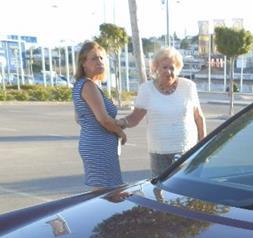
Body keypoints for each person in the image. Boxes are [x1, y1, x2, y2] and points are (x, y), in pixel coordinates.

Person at [117, 47, 206, 177]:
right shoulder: (146, 89)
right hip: (159, 152)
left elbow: (199, 117)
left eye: (172, 68)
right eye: (164, 67)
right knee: (160, 186)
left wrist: (204, 148)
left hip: (187, 150)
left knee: (186, 186)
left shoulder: (188, 86)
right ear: (156, 68)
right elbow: (135, 118)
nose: (168, 72)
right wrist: (120, 123)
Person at [72, 41, 126, 189]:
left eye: (101, 58)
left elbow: (78, 118)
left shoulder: (82, 85)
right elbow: (104, 120)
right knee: (105, 192)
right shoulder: (88, 85)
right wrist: (121, 133)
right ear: (83, 63)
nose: (99, 61)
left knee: (106, 190)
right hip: (98, 147)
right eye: (94, 58)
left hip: (96, 144)